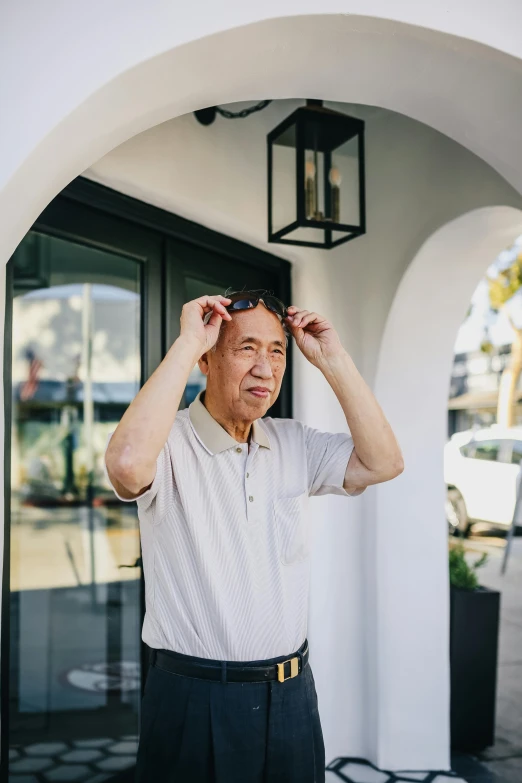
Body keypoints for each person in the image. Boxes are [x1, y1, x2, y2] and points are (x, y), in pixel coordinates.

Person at [104, 289, 404, 783]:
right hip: (194, 700)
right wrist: (185, 343)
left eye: (277, 351)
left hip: (291, 697)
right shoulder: (169, 440)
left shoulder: (294, 442)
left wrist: (333, 359)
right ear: (207, 356)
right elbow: (126, 466)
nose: (266, 368)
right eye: (247, 349)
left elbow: (384, 462)